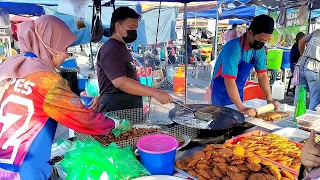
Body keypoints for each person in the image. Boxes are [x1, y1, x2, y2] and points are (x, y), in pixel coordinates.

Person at [0, 16, 120, 179]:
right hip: (24, 169)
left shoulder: (10, 65)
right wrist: (114, 123)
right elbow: (84, 118)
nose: (66, 54)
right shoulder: (47, 80)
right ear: (50, 46)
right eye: (64, 48)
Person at [90, 7, 172, 113]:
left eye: (136, 28)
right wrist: (155, 92)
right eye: (131, 27)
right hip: (117, 110)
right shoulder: (112, 49)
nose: (134, 31)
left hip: (127, 106)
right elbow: (121, 82)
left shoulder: (120, 47)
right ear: (118, 26)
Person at [210, 15, 280, 117]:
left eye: (265, 41)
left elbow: (262, 75)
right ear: (250, 33)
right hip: (221, 91)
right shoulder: (233, 48)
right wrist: (242, 108)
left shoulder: (259, 50)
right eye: (260, 40)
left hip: (237, 91)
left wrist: (269, 99)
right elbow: (229, 80)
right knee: (221, 120)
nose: (262, 44)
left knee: (237, 121)